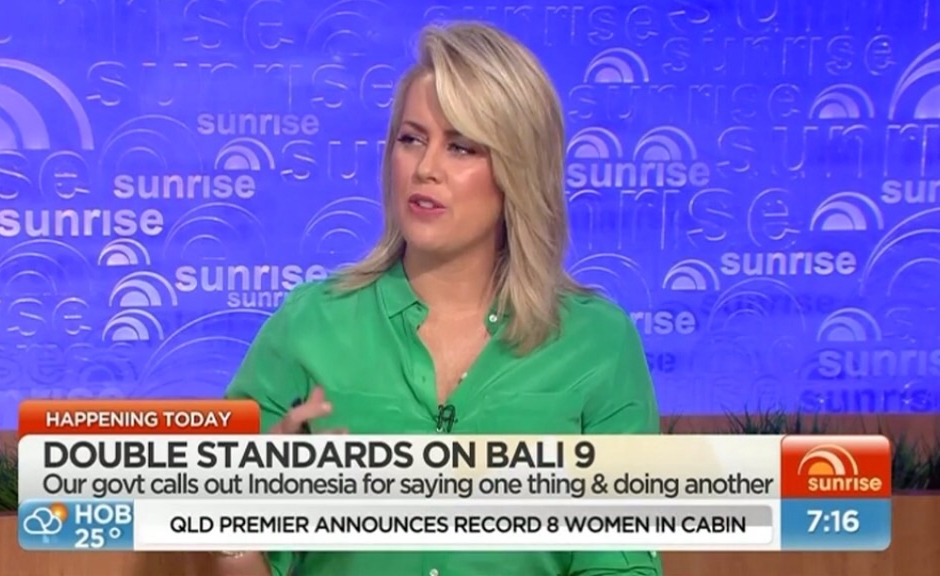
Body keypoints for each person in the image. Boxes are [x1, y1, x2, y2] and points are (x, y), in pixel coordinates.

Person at [218, 20, 663, 576]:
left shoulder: (596, 343)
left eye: (460, 147)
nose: (426, 169)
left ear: (518, 169)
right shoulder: (310, 325)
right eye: (411, 139)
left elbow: (617, 561)